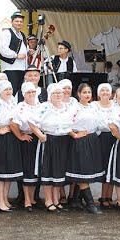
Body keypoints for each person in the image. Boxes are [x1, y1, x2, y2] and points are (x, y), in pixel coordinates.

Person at [28, 82, 76, 213]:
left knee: (58, 171)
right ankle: (48, 200)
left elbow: (72, 123)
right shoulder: (45, 107)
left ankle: (56, 199)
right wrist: (40, 135)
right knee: (48, 171)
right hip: (50, 140)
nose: (58, 95)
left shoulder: (66, 107)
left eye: (60, 92)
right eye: (55, 93)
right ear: (50, 95)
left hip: (63, 140)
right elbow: (31, 121)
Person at [64, 83, 105, 214]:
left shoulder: (93, 107)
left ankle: (75, 200)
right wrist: (76, 134)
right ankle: (90, 204)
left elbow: (100, 124)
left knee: (86, 171)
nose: (87, 95)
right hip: (81, 141)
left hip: (92, 140)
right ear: (79, 94)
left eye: (89, 92)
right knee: (82, 171)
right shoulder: (75, 108)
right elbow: (65, 124)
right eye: (84, 92)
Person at [0, 80, 24, 213]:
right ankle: (0, 201)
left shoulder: (12, 101)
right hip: (2, 138)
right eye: (5, 90)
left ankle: (5, 199)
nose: (8, 92)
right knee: (1, 170)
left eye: (10, 89)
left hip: (12, 137)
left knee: (8, 171)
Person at [12, 82, 42, 211]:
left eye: (33, 92)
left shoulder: (40, 106)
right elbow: (13, 123)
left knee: (35, 169)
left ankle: (33, 198)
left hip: (39, 140)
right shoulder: (21, 106)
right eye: (28, 92)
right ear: (24, 94)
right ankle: (27, 200)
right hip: (27, 140)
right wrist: (20, 136)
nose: (31, 94)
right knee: (27, 169)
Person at [93, 83, 118, 209]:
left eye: (107, 90)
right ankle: (103, 196)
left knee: (111, 165)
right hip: (100, 137)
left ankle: (109, 196)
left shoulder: (115, 105)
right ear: (98, 93)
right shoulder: (94, 106)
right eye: (102, 90)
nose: (105, 92)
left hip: (114, 136)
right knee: (104, 166)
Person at [0, 10, 30, 94]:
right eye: (17, 21)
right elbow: (3, 49)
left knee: (20, 91)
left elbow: (24, 49)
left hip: (22, 68)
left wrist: (30, 51)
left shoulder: (22, 35)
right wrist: (16, 55)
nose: (19, 23)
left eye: (21, 21)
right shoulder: (6, 33)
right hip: (11, 68)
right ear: (11, 22)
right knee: (12, 90)